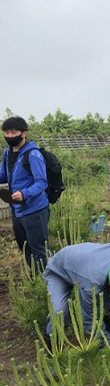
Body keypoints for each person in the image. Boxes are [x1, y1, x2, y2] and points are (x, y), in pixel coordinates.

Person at [0, 116, 49, 273]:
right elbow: (4, 175)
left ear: (24, 133)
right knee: (24, 246)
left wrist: (25, 193)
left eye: (13, 132)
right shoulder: (7, 153)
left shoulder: (33, 154)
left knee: (38, 248)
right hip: (17, 210)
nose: (9, 136)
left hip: (34, 210)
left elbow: (42, 182)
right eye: (6, 132)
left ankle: (46, 283)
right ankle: (35, 277)